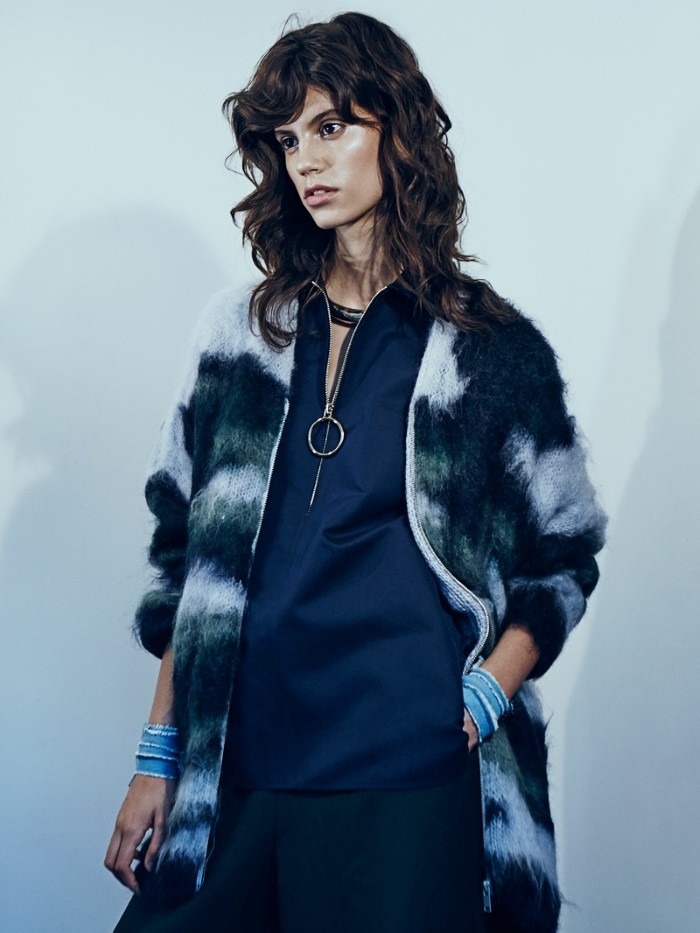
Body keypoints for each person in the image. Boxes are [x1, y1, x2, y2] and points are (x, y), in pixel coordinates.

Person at [105, 12, 606, 933]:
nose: (307, 160)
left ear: (397, 129)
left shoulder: (492, 350)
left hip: (403, 772)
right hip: (240, 756)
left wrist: (487, 690)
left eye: (331, 127)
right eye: (289, 139)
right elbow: (186, 564)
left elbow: (564, 558)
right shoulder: (237, 337)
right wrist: (156, 755)